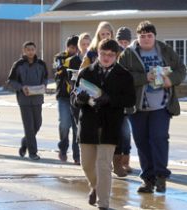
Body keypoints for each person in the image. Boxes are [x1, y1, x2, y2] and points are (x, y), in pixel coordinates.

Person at [119, 20, 187, 193]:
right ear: (137, 37)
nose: (146, 39)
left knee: (159, 138)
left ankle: (161, 177)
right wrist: (144, 78)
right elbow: (121, 77)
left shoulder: (164, 50)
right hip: (138, 107)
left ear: (155, 37)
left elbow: (181, 69)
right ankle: (148, 180)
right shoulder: (128, 53)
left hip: (162, 105)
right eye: (142, 36)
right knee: (142, 143)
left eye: (149, 36)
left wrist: (170, 80)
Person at [71, 39, 135, 210]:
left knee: (104, 166)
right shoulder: (85, 72)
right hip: (88, 125)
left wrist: (110, 99)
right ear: (97, 53)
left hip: (110, 125)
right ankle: (95, 187)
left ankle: (103, 203)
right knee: (87, 165)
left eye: (111, 55)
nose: (106, 58)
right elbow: (74, 99)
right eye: (103, 54)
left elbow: (130, 100)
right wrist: (79, 99)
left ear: (116, 56)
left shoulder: (124, 75)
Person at [7, 41, 48, 161]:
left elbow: (45, 78)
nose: (30, 52)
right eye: (28, 49)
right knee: (29, 126)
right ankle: (33, 152)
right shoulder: (18, 64)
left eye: (32, 49)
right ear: (24, 51)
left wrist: (44, 85)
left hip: (37, 99)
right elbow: (10, 81)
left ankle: (25, 142)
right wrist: (21, 88)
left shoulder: (41, 64)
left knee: (37, 124)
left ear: (36, 50)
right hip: (24, 100)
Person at [53, 35, 80, 164]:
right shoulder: (60, 57)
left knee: (77, 127)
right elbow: (59, 71)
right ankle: (63, 149)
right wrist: (70, 63)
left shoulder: (82, 59)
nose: (73, 50)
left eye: (76, 48)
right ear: (67, 47)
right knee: (64, 124)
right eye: (71, 47)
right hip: (63, 97)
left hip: (77, 97)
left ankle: (77, 155)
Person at [113, 27, 134, 176]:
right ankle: (117, 162)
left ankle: (125, 161)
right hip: (115, 103)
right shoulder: (113, 54)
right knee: (118, 134)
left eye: (126, 41)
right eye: (121, 41)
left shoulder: (133, 55)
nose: (123, 44)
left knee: (126, 134)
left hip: (129, 102)